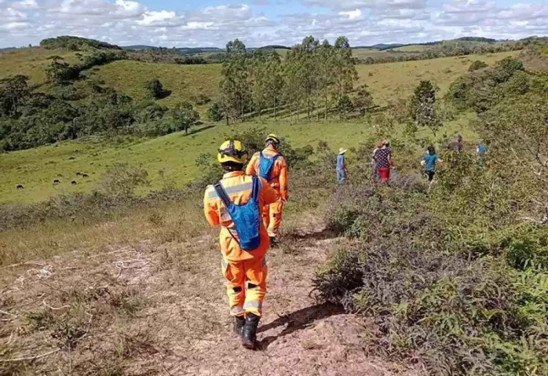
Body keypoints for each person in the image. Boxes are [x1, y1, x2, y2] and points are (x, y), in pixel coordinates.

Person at [204, 140, 279, 350]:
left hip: (230, 249)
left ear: (221, 162)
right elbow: (273, 200)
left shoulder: (212, 191)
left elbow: (213, 222)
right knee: (255, 286)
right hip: (256, 246)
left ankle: (238, 322)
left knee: (234, 284)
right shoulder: (258, 183)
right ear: (244, 159)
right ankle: (250, 329)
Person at [246, 134, 288, 245]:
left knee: (263, 214)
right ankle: (272, 238)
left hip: (260, 190)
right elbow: (283, 180)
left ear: (267, 143)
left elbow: (248, 173)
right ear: (276, 145)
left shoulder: (256, 156)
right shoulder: (280, 159)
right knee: (275, 214)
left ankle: (263, 237)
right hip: (275, 191)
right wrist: (284, 194)